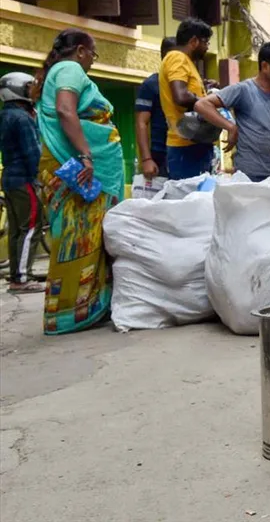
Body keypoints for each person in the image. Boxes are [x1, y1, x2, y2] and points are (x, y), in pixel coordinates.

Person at [32, 28, 125, 334]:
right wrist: (87, 155)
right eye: (93, 54)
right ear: (82, 51)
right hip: (75, 167)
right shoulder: (70, 69)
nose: (93, 62)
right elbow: (65, 109)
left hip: (72, 166)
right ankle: (72, 313)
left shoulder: (56, 71)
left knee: (83, 238)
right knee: (78, 239)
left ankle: (85, 308)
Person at [194, 42, 270, 182]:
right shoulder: (243, 90)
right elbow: (202, 104)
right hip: (248, 174)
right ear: (265, 66)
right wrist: (230, 127)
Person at [0, 72, 45, 293]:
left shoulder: (6, 115)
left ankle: (17, 273)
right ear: (17, 90)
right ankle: (22, 278)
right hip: (24, 179)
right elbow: (33, 153)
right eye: (28, 87)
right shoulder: (22, 118)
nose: (32, 91)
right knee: (30, 227)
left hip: (10, 178)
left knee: (17, 230)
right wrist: (41, 178)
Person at [159, 18, 214, 180]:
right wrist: (207, 104)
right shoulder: (177, 57)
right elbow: (181, 96)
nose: (206, 48)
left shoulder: (187, 62)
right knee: (191, 201)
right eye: (206, 43)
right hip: (185, 147)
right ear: (194, 41)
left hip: (194, 144)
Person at [134, 36, 176, 179]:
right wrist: (146, 159)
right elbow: (142, 122)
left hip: (187, 153)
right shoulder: (151, 84)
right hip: (160, 157)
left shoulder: (188, 83)